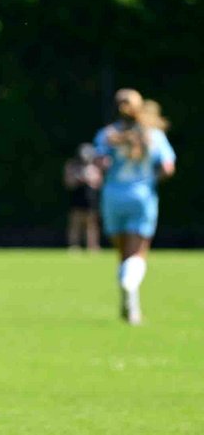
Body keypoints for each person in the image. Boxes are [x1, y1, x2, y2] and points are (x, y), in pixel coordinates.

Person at [94, 88, 176, 325]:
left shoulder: (107, 134)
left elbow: (100, 162)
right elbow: (168, 166)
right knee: (137, 253)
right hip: (141, 196)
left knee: (122, 254)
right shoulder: (153, 135)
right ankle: (130, 289)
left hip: (113, 196)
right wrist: (151, 180)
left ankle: (131, 306)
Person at [64, 143, 102, 252]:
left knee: (92, 224)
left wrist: (89, 179)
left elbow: (98, 182)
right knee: (75, 223)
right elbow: (68, 182)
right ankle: (74, 246)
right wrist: (78, 179)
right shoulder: (72, 166)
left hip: (90, 198)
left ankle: (92, 246)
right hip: (77, 198)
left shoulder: (94, 167)